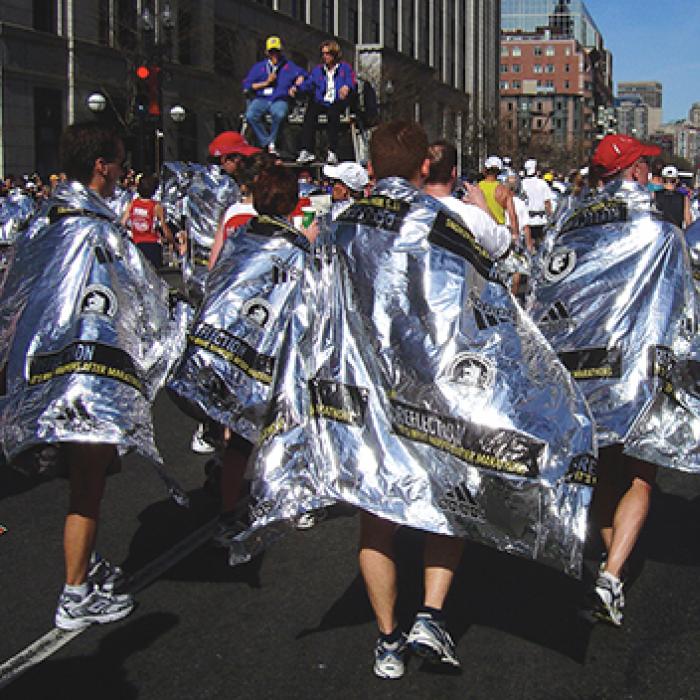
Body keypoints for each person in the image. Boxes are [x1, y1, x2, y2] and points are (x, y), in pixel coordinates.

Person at [422, 140, 510, 259]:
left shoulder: (405, 209)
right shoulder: (472, 215)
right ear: (453, 172)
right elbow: (502, 248)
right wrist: (483, 207)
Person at [293, 39, 357, 166]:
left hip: (337, 100)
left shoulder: (344, 68)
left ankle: (332, 150)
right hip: (322, 100)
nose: (325, 56)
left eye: (328, 54)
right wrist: (297, 87)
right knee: (310, 113)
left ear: (334, 54)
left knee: (333, 115)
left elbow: (352, 81)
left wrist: (347, 87)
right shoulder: (318, 70)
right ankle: (306, 150)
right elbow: (310, 83)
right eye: (323, 54)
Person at [242, 36, 307, 156]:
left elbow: (303, 74)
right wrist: (266, 83)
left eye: (276, 51)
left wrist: (298, 82)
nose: (274, 55)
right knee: (251, 115)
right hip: (261, 98)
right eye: (271, 52)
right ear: (267, 53)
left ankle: (272, 142)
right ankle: (266, 141)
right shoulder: (259, 67)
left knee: (279, 114)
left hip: (280, 98)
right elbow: (248, 85)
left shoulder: (288, 66)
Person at [120, 173, 174, 269]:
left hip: (136, 243)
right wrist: (173, 243)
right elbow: (164, 228)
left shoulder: (132, 204)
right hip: (152, 244)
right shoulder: (156, 206)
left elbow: (123, 223)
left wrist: (133, 227)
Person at [478, 155, 519, 242]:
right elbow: (512, 215)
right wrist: (515, 235)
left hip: (480, 230)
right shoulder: (504, 190)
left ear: (485, 169)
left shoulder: (477, 188)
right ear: (499, 171)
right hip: (498, 232)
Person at [520, 158, 552, 247]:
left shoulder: (522, 184)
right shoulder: (542, 183)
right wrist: (551, 218)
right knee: (541, 246)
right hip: (541, 221)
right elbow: (547, 202)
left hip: (527, 221)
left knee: (528, 247)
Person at [654, 165, 692, 229]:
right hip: (676, 234)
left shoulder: (654, 194)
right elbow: (688, 220)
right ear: (677, 180)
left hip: (660, 233)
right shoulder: (684, 197)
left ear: (662, 180)